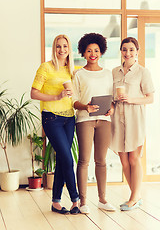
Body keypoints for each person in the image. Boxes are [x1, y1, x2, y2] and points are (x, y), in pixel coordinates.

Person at [31, 34, 80, 215]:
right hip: (51, 118)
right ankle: (76, 199)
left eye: (65, 46)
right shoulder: (46, 67)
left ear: (69, 49)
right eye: (58, 46)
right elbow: (33, 93)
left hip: (69, 118)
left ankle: (56, 202)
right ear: (54, 48)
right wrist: (56, 97)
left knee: (62, 158)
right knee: (68, 158)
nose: (62, 50)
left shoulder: (72, 70)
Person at [72, 33, 116, 214]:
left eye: (96, 50)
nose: (93, 53)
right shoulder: (79, 74)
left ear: (101, 51)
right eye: (89, 50)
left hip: (105, 120)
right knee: (83, 161)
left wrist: (111, 108)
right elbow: (73, 101)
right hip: (84, 120)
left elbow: (111, 97)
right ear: (83, 52)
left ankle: (102, 199)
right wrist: (85, 107)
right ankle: (83, 202)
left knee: (102, 161)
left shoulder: (108, 74)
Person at [111, 37, 154, 211]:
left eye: (131, 49)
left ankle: (134, 198)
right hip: (117, 120)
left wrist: (131, 99)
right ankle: (136, 196)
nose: (127, 53)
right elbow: (111, 97)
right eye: (124, 49)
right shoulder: (114, 72)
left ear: (137, 51)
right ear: (120, 51)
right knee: (124, 161)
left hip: (135, 118)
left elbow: (150, 98)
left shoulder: (143, 72)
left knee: (134, 158)